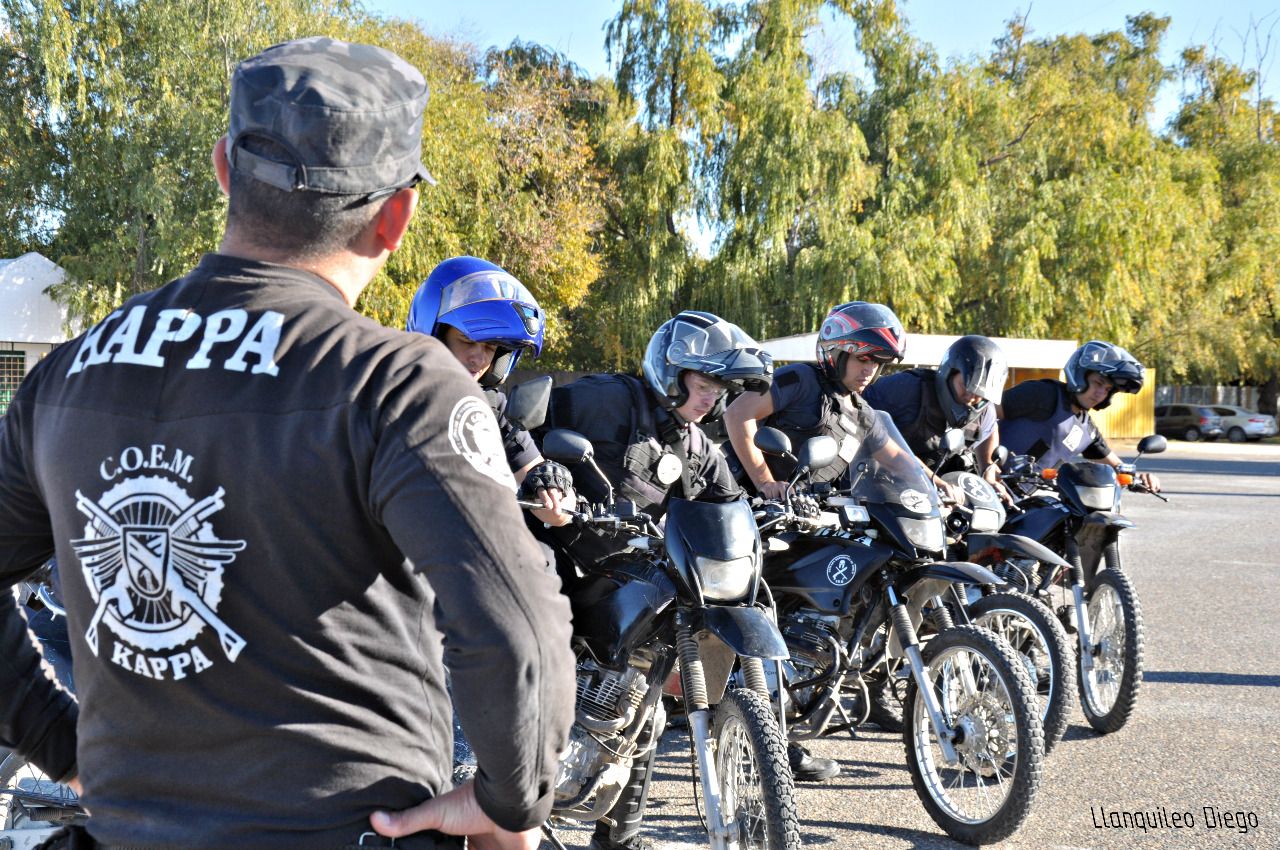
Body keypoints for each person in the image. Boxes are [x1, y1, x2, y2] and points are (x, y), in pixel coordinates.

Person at [0, 37, 574, 850]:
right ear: (397, 217)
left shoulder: (66, 377)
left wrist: (62, 741)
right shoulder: (394, 381)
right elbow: (516, 626)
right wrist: (512, 800)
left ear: (224, 170)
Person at [534, 310, 772, 850]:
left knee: (648, 707)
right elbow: (533, 434)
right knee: (532, 663)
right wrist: (547, 472)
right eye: (704, 383)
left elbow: (727, 500)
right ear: (672, 370)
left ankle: (622, 836)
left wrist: (766, 516)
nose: (712, 398)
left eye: (720, 389)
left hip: (635, 572)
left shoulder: (696, 445)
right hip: (566, 556)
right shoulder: (607, 399)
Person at [722, 300, 913, 754]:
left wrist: (939, 487)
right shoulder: (798, 380)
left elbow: (898, 459)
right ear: (837, 351)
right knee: (759, 607)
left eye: (879, 362)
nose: (871, 370)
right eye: (864, 357)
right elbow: (737, 415)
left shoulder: (861, 412)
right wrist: (767, 483)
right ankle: (760, 721)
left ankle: (802, 692)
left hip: (810, 518)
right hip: (749, 509)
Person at [406, 255, 574, 528]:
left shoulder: (490, 410)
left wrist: (553, 490)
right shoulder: (388, 394)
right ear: (434, 334)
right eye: (467, 341)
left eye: (490, 348)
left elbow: (553, 509)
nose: (479, 359)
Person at [863, 334, 1012, 503]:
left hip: (929, 496)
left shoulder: (985, 410)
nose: (971, 398)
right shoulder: (905, 389)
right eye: (965, 386)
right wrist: (937, 483)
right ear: (950, 373)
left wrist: (987, 469)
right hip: (874, 484)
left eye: (979, 394)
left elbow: (990, 428)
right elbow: (861, 414)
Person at [998, 339, 1160, 492]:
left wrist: (1139, 478)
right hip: (988, 484)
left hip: (1022, 500)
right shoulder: (1044, 394)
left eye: (1108, 389)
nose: (1100, 393)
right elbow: (986, 413)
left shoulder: (1086, 429)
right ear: (1080, 374)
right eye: (1098, 383)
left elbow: (1116, 466)